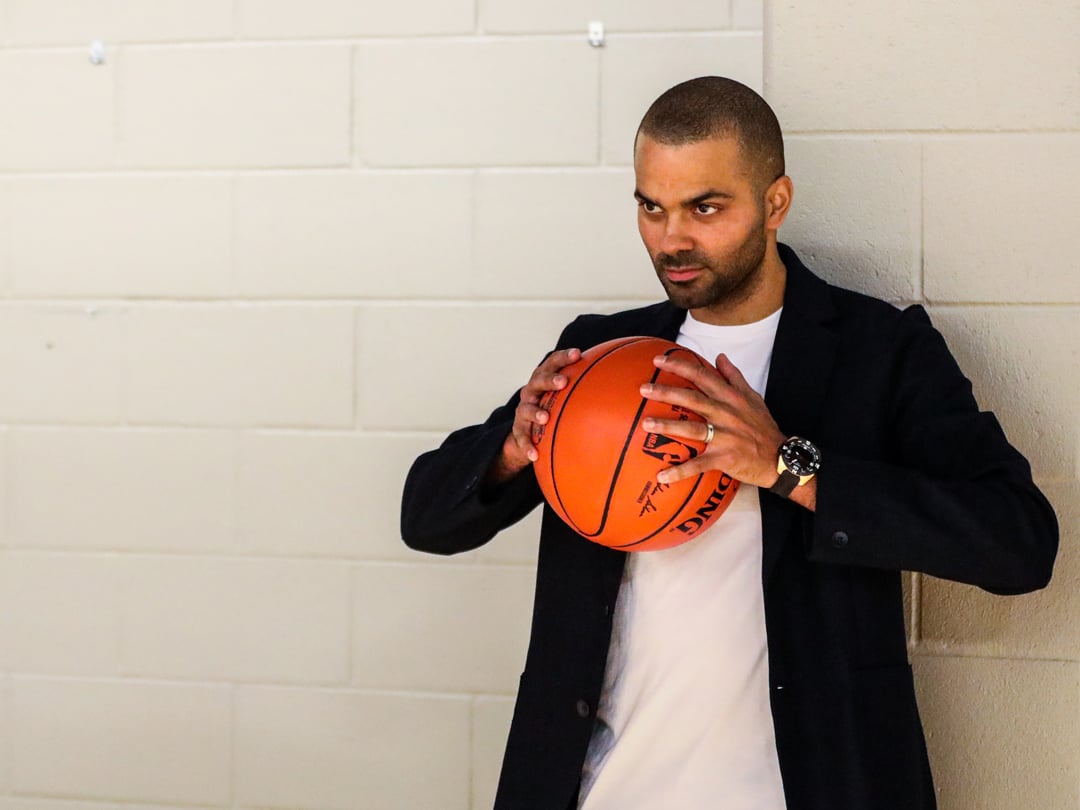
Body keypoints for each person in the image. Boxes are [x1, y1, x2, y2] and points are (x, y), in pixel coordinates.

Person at [400, 77, 1058, 810]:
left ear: (775, 203)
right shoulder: (600, 353)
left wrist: (787, 466)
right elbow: (425, 519)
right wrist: (512, 450)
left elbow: (1018, 543)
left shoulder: (881, 350)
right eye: (651, 207)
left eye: (704, 208)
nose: (671, 239)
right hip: (599, 791)